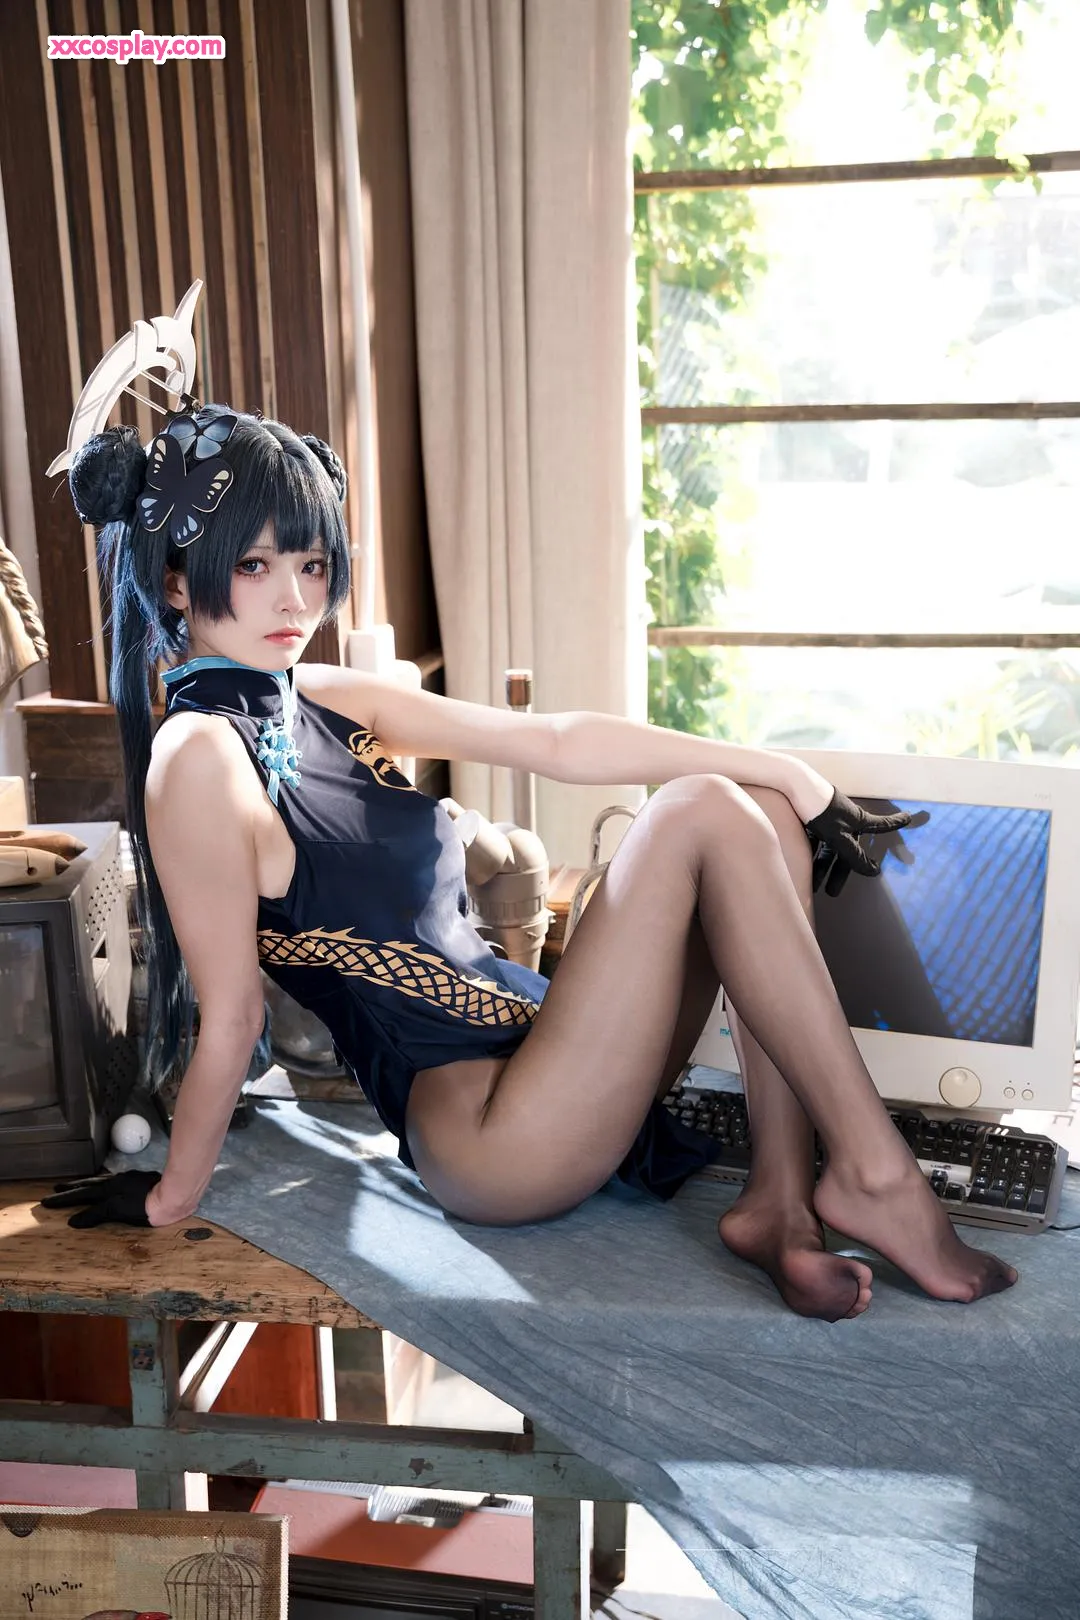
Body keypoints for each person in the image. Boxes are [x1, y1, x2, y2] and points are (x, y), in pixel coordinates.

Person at [44, 404, 1017, 1322]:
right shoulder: (197, 755)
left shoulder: (319, 695)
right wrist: (172, 1199)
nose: (295, 597)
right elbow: (234, 1018)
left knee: (754, 804)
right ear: (178, 582)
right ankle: (874, 1173)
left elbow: (550, 739)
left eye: (310, 562)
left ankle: (781, 1199)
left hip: (550, 1051)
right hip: (492, 1139)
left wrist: (793, 777)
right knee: (703, 808)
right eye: (254, 565)